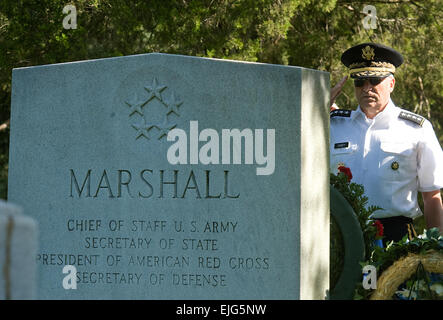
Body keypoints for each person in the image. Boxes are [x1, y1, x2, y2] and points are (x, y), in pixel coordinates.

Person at [330, 42, 443, 245]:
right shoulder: (333, 125)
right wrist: (315, 110)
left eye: (374, 80)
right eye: (359, 82)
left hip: (396, 238)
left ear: (391, 83)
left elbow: (432, 196)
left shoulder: (416, 129)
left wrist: (437, 247)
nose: (367, 88)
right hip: (343, 237)